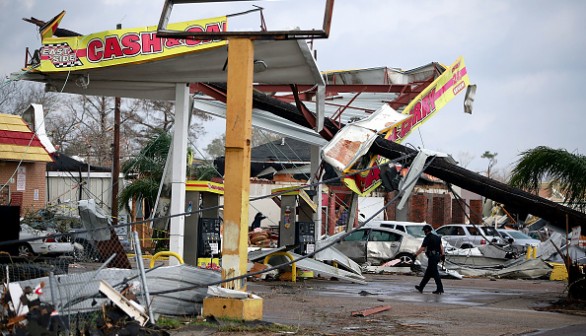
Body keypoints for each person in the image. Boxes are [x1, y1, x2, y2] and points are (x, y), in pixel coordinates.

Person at [414, 224, 445, 294]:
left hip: (432, 257)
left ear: (426, 231)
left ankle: (440, 288)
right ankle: (421, 287)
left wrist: (415, 255)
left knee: (435, 273)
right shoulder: (437, 237)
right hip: (437, 256)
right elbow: (441, 246)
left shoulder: (427, 238)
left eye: (424, 231)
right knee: (428, 273)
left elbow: (423, 248)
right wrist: (443, 255)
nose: (424, 232)